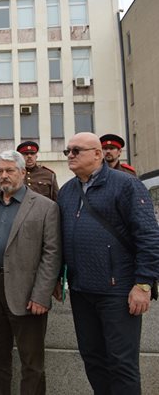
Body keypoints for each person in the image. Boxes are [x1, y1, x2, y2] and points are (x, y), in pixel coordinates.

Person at [58, 132, 159, 394]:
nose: (70, 155)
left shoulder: (126, 185)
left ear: (97, 154)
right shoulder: (67, 191)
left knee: (121, 364)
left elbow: (149, 236)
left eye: (76, 150)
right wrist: (60, 278)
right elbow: (60, 238)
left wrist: (143, 284)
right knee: (93, 359)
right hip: (81, 291)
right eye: (67, 151)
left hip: (118, 291)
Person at [0, 150, 62, 395]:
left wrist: (41, 295)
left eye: (10, 170)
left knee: (32, 363)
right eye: (0, 171)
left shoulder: (46, 207)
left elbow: (52, 254)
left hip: (28, 294)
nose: (4, 176)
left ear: (23, 172)